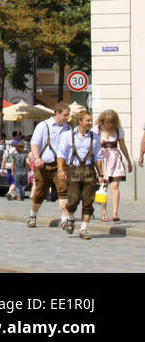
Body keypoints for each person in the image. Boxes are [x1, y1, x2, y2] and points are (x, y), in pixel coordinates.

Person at [56, 110, 102, 240]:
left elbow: (98, 157)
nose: (90, 123)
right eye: (87, 120)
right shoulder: (68, 135)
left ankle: (83, 229)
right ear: (80, 121)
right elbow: (61, 154)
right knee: (73, 200)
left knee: (88, 202)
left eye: (91, 120)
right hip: (73, 171)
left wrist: (101, 174)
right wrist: (61, 170)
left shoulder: (95, 137)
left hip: (89, 171)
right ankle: (70, 219)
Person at [28, 102, 71, 230]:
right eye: (65, 115)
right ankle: (33, 215)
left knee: (63, 190)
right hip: (43, 165)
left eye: (68, 115)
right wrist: (37, 158)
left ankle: (65, 218)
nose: (67, 118)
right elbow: (35, 143)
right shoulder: (43, 126)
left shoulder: (68, 129)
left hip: (60, 166)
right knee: (40, 192)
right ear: (57, 113)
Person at [95, 109, 132, 222]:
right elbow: (91, 146)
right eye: (107, 122)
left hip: (115, 158)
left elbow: (123, 146)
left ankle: (115, 213)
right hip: (102, 159)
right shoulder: (97, 129)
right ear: (103, 121)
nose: (110, 125)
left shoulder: (118, 129)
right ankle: (104, 213)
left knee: (115, 186)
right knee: (103, 186)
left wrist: (129, 161)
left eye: (112, 122)